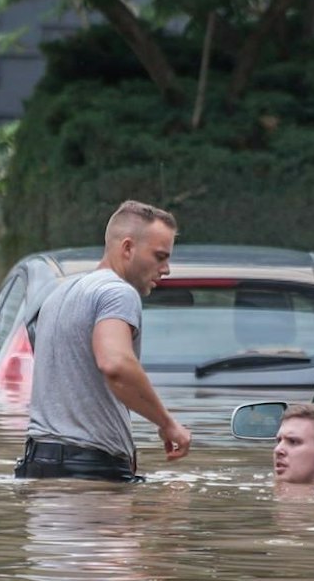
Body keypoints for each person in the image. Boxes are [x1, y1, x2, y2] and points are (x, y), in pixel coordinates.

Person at [15, 199, 193, 482]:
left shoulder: (59, 294)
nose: (167, 269)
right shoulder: (117, 292)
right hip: (90, 468)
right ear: (127, 248)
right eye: (160, 257)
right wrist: (167, 423)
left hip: (36, 465)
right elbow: (115, 365)